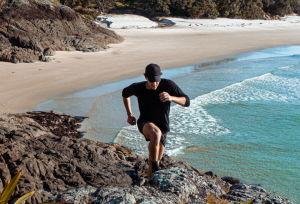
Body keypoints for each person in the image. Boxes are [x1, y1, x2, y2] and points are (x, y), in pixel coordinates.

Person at [122, 63, 190, 179]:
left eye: (157, 80)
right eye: (151, 81)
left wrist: (171, 97)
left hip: (163, 127)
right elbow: (125, 93)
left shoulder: (168, 85)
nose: (155, 84)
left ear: (160, 76)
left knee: (155, 161)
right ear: (145, 77)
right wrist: (130, 114)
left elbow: (186, 101)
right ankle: (156, 168)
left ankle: (151, 183)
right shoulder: (138, 87)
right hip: (145, 122)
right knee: (155, 134)